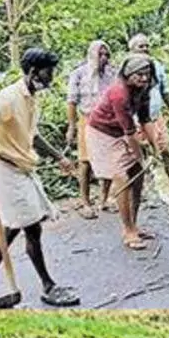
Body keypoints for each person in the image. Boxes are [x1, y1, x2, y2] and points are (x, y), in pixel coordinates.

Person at [0, 47, 80, 307]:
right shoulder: (8, 98)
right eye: (48, 72)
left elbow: (32, 136)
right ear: (33, 71)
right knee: (28, 228)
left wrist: (59, 157)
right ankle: (47, 285)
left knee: (19, 228)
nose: (51, 77)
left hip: (24, 170)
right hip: (6, 170)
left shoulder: (30, 98)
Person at [85, 56, 156, 250]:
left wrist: (155, 147)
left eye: (147, 75)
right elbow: (130, 132)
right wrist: (141, 157)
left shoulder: (144, 89)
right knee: (122, 178)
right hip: (102, 133)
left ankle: (133, 223)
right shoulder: (119, 93)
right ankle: (128, 230)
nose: (144, 79)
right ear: (128, 74)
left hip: (122, 132)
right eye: (139, 75)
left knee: (137, 176)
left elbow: (145, 119)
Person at [64, 39, 116, 218]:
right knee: (85, 161)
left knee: (108, 159)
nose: (104, 58)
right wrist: (71, 126)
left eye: (106, 54)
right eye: (100, 54)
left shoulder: (111, 74)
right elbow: (71, 101)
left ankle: (104, 198)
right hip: (87, 120)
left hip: (108, 121)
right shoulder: (79, 74)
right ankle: (85, 201)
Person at [127, 33, 169, 193]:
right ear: (132, 50)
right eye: (141, 46)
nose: (145, 49)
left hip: (156, 117)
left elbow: (165, 89)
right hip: (136, 120)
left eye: (147, 45)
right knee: (139, 156)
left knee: (165, 151)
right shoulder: (127, 68)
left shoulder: (156, 65)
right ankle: (144, 189)